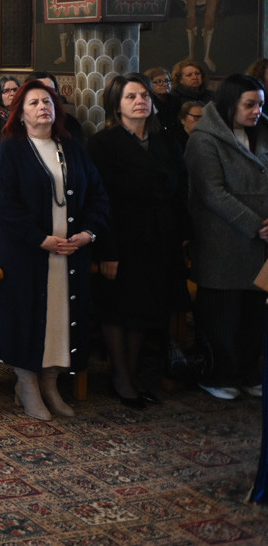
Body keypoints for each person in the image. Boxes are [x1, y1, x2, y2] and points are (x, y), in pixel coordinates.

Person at [0, 80, 109, 420]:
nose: (43, 107)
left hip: (69, 254)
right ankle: (26, 384)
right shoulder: (12, 150)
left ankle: (51, 382)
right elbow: (4, 204)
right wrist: (39, 238)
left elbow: (97, 195)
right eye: (34, 103)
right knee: (27, 319)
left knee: (60, 318)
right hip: (26, 255)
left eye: (48, 102)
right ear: (20, 114)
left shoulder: (71, 147)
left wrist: (88, 233)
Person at [88, 73, 190, 408]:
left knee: (145, 308)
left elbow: (181, 187)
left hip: (159, 237)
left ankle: (131, 375)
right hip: (121, 236)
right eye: (131, 97)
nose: (140, 101)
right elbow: (99, 200)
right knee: (120, 309)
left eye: (144, 95)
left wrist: (183, 235)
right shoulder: (104, 143)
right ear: (117, 105)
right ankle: (120, 377)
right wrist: (107, 250)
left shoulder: (165, 140)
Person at [184, 73, 268, 401]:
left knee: (255, 313)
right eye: (249, 105)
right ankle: (219, 373)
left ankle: (249, 371)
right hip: (223, 242)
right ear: (230, 104)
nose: (257, 111)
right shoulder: (204, 139)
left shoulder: (264, 132)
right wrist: (256, 224)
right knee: (223, 314)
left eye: (260, 104)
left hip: (261, 245)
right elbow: (212, 192)